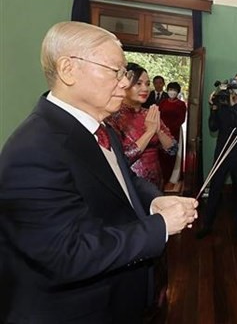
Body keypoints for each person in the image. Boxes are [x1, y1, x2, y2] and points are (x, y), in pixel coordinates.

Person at [0, 21, 198, 323]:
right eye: (115, 71)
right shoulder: (33, 149)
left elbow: (122, 179)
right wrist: (159, 226)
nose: (125, 83)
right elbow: (66, 254)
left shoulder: (99, 126)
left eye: (125, 74)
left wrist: (154, 202)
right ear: (69, 69)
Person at [196, 72, 237, 239]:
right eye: (236, 81)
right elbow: (213, 127)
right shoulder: (222, 104)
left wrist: (231, 104)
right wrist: (214, 108)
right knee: (215, 189)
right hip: (221, 153)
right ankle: (207, 225)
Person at [106, 63, 177, 191]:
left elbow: (172, 149)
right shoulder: (112, 116)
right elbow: (121, 159)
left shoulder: (150, 114)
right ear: (124, 84)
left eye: (147, 84)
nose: (145, 88)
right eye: (138, 84)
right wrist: (149, 132)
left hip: (156, 181)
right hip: (130, 183)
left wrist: (158, 130)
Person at [159, 82, 187, 184]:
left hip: (175, 132)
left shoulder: (181, 104)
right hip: (161, 132)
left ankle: (172, 177)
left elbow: (182, 119)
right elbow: (158, 115)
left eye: (174, 90)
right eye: (170, 89)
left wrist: (171, 129)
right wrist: (162, 129)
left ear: (178, 92)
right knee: (162, 154)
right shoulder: (162, 103)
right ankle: (163, 177)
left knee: (172, 154)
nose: (172, 92)